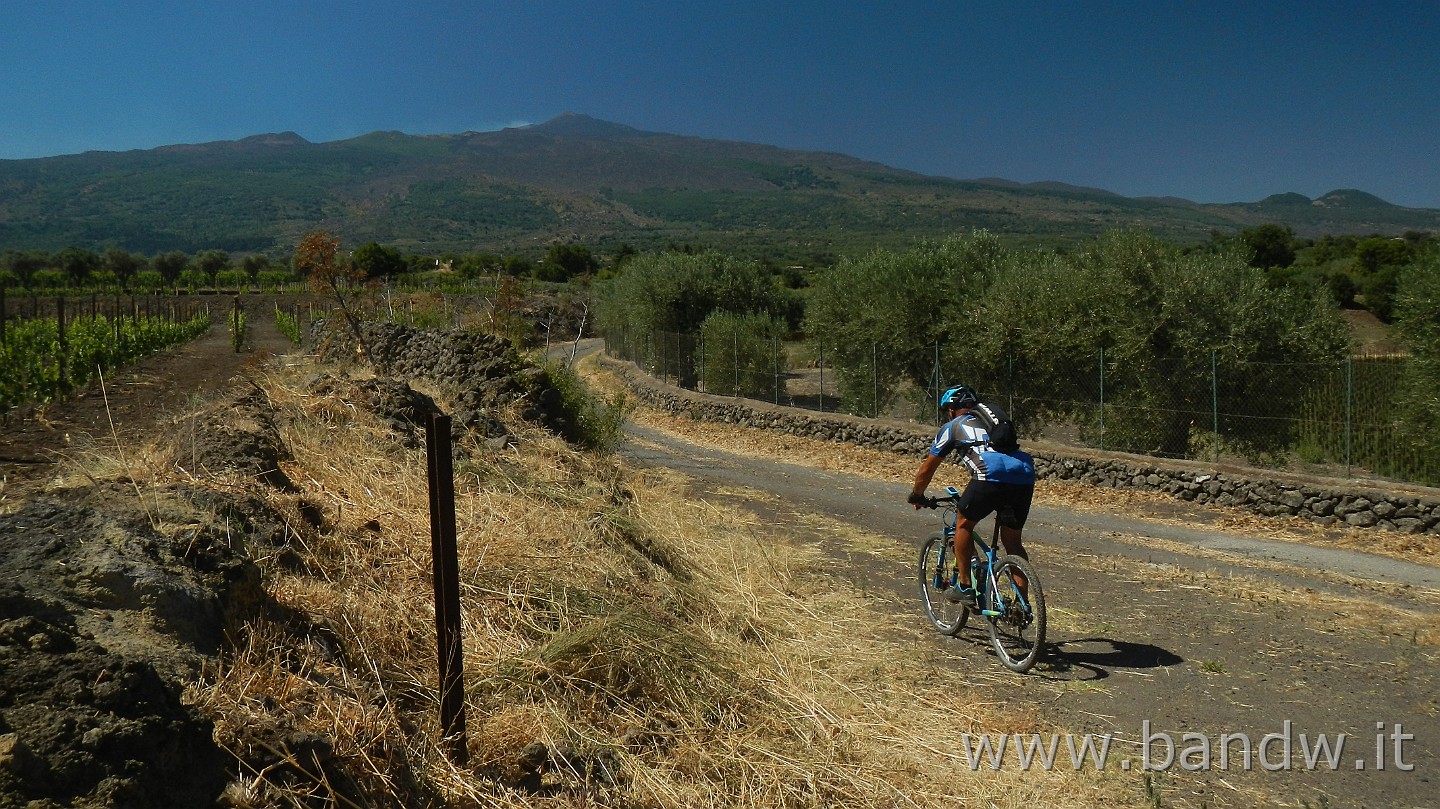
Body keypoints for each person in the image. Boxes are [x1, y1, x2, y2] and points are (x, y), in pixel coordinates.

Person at [908, 385, 1035, 605]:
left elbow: (927, 469)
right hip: (1023, 475)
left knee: (963, 524)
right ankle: (1021, 605)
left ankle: (965, 585)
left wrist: (917, 495)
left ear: (951, 409)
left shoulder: (953, 426)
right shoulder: (993, 423)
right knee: (1013, 543)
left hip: (989, 476)